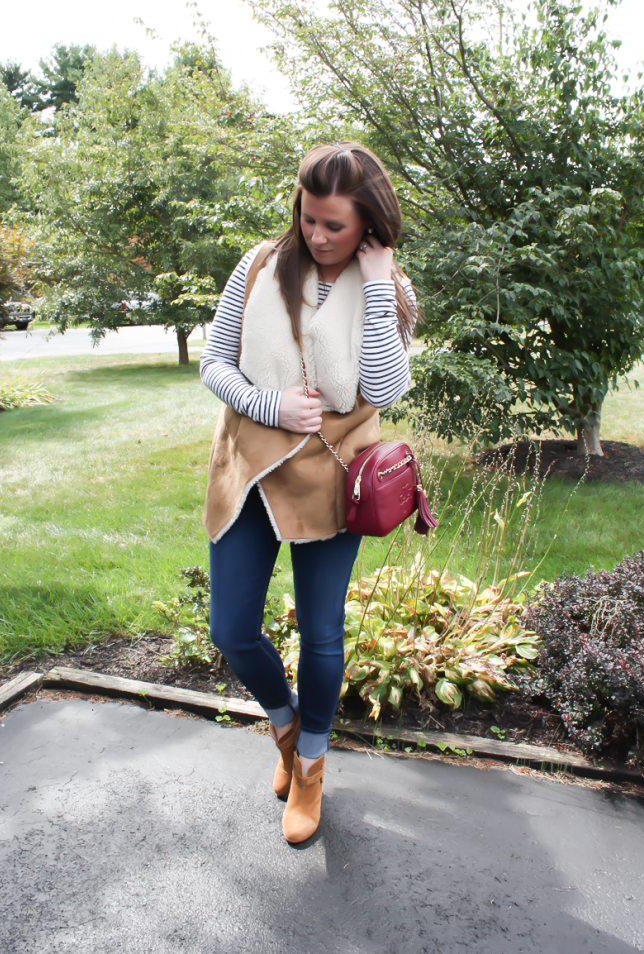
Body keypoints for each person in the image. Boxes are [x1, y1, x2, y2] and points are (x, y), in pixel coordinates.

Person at [200, 142, 416, 844]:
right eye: (309, 218)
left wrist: (378, 285)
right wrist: (267, 403)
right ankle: (286, 727)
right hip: (253, 467)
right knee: (231, 629)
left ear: (370, 227)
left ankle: (313, 767)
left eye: (336, 226)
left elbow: (382, 390)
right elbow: (213, 362)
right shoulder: (260, 263)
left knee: (321, 633)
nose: (318, 236)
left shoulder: (390, 289)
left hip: (332, 478)